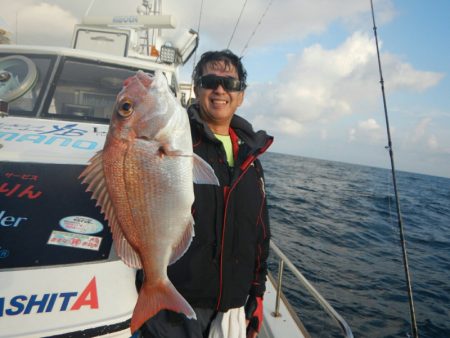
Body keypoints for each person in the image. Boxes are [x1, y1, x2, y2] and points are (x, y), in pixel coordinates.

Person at [137, 49, 273, 338]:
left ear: (241, 95)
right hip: (174, 308)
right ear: (196, 88)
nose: (220, 89)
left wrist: (257, 294)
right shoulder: (175, 139)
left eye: (231, 83)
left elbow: (260, 233)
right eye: (210, 80)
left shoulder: (251, 158)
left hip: (232, 310)